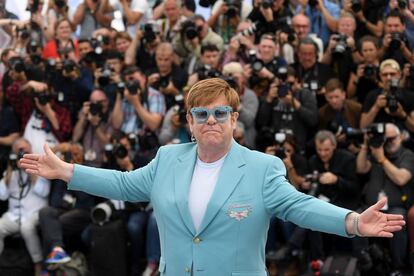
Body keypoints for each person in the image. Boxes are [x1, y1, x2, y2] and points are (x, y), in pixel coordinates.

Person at [20, 78, 405, 276]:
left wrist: (352, 222)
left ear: (235, 119)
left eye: (220, 113)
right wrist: (65, 170)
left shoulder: (262, 167)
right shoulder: (167, 158)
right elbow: (122, 183)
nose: (211, 121)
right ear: (189, 121)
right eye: (201, 114)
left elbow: (299, 207)